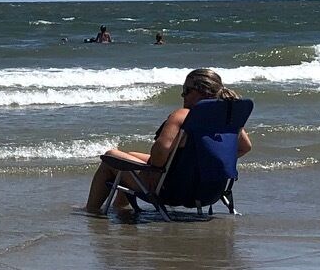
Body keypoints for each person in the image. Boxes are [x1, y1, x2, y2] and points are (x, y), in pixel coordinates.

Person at [86, 68, 252, 217]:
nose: (182, 95)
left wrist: (159, 167)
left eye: (186, 91)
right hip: (209, 191)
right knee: (129, 156)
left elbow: (158, 157)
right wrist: (207, 162)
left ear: (202, 91)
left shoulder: (183, 115)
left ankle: (92, 210)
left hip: (172, 190)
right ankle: (119, 207)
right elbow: (245, 147)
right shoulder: (227, 119)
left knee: (111, 157)